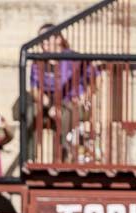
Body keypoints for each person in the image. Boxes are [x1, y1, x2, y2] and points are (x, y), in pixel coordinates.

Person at [28, 23, 98, 162]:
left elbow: (96, 78)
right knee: (29, 111)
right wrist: (48, 104)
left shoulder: (74, 59)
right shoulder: (38, 62)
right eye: (41, 40)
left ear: (58, 39)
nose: (43, 43)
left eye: (46, 38)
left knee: (65, 113)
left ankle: (64, 155)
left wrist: (86, 96)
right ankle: (29, 157)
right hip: (49, 103)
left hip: (73, 102)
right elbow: (34, 88)